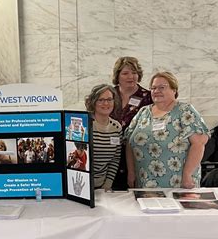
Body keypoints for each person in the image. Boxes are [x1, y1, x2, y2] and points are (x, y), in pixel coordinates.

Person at [125, 71, 209, 189]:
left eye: (162, 87)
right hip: (144, 181)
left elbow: (199, 143)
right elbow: (129, 143)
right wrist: (131, 172)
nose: (156, 91)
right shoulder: (143, 112)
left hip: (178, 182)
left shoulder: (185, 111)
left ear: (174, 90)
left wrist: (187, 174)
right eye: (153, 88)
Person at [110, 57, 153, 190]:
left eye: (134, 72)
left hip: (137, 155)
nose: (131, 76)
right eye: (125, 73)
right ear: (117, 76)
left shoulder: (148, 97)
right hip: (110, 154)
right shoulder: (109, 94)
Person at [85, 84, 122, 191]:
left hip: (103, 187)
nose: (106, 103)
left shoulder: (116, 127)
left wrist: (107, 185)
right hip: (82, 184)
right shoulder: (85, 124)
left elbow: (115, 159)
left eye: (109, 99)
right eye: (101, 100)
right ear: (93, 102)